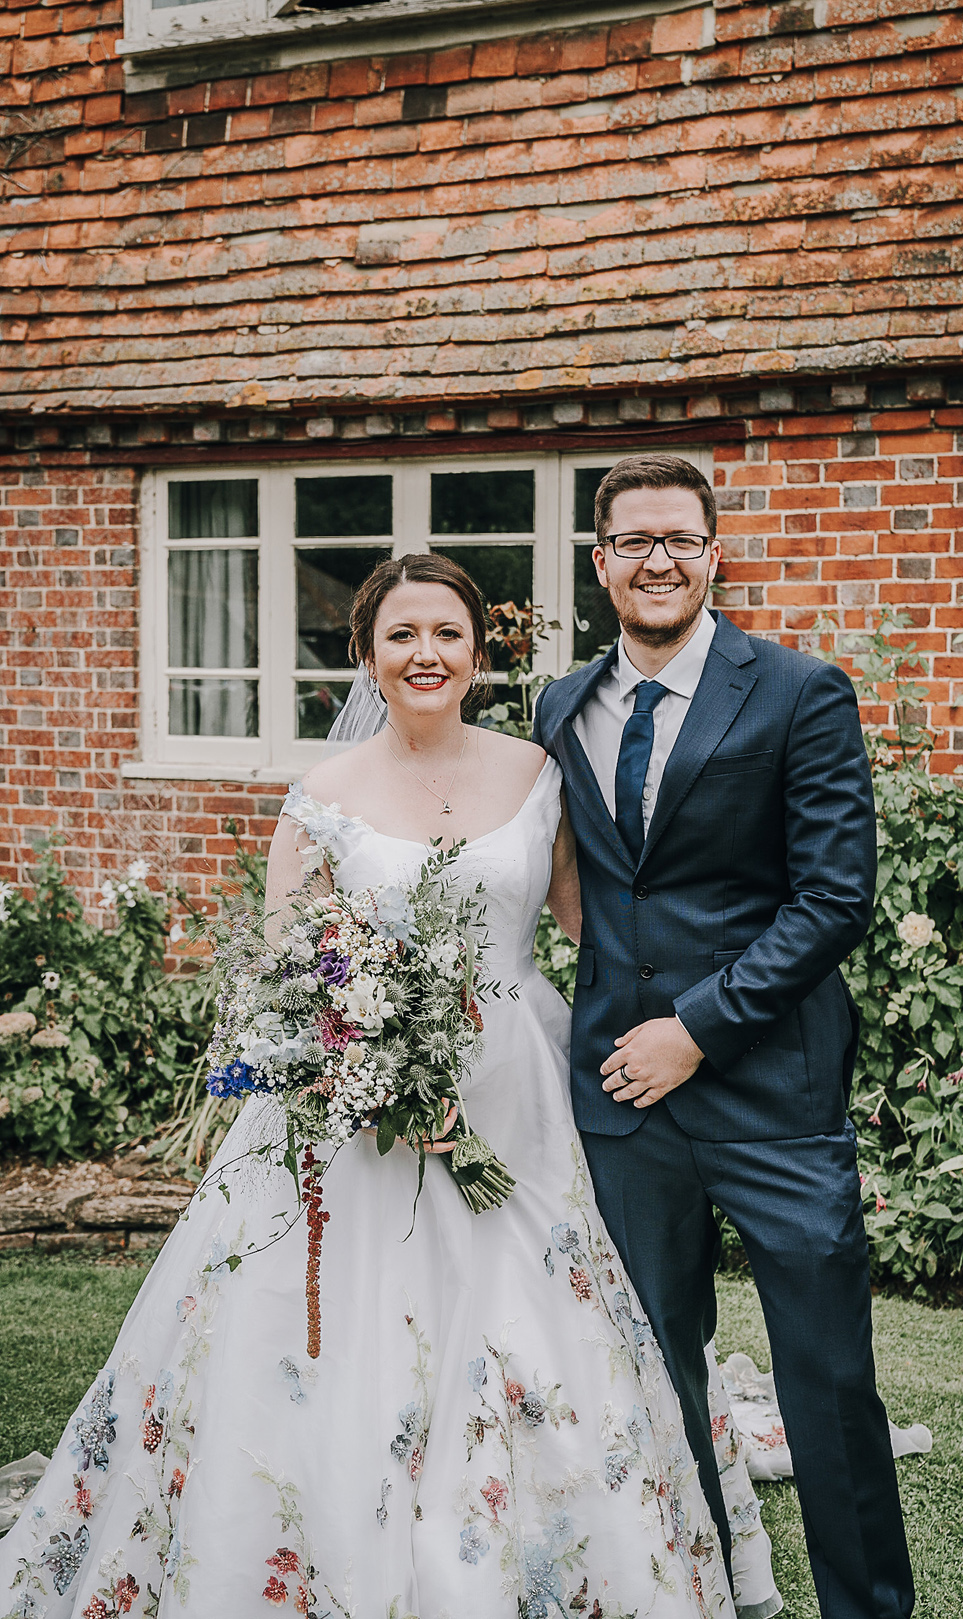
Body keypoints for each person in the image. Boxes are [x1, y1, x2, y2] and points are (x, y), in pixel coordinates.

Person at [0, 552, 781, 1619]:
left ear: (478, 652)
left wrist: (701, 1011)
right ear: (366, 652)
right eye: (403, 634)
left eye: (447, 633)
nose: (427, 653)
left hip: (518, 1090)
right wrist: (357, 1059)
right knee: (328, 1334)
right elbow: (280, 963)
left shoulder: (536, 771)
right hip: (352, 1115)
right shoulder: (323, 793)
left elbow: (584, 927)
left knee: (535, 1316)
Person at [533, 456, 916, 1619]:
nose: (657, 560)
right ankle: (698, 1589)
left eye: (679, 540)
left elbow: (833, 897)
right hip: (618, 1097)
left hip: (772, 1092)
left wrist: (693, 1031)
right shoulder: (559, 705)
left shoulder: (799, 690)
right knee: (655, 1374)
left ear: (714, 555)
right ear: (600, 563)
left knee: (829, 1375)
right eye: (632, 540)